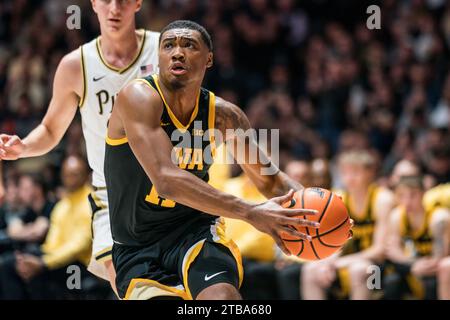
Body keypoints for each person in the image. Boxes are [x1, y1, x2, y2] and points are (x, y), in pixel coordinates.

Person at [105, 20, 319, 300]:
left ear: (209, 59)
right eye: (168, 45)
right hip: (138, 245)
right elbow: (166, 179)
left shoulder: (224, 115)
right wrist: (251, 212)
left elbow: (271, 180)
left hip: (196, 233)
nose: (177, 52)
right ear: (158, 57)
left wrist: (320, 212)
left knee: (223, 299)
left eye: (189, 45)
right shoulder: (138, 97)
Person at [0, 0, 160, 292]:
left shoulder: (165, 50)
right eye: (107, 0)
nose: (114, 9)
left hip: (167, 190)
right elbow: (50, 129)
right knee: (137, 292)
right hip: (114, 202)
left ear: (137, 3)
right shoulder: (76, 65)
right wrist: (23, 147)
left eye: (123, 0)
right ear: (94, 3)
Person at [301, 150, 395, 300]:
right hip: (349, 262)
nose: (349, 178)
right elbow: (332, 241)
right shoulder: (340, 198)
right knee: (311, 269)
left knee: (359, 270)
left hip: (382, 268)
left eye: (355, 172)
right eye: (345, 172)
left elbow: (380, 251)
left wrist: (338, 262)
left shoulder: (382, 199)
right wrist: (328, 262)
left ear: (370, 173)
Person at [0, 155, 94, 299]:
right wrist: (28, 258)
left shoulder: (90, 202)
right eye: (66, 174)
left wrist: (43, 262)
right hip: (56, 260)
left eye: (75, 174)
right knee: (12, 264)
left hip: (79, 264)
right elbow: (51, 244)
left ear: (86, 175)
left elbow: (78, 246)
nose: (70, 178)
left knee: (41, 270)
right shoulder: (62, 205)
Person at [384, 175, 450, 299]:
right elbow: (392, 251)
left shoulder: (439, 218)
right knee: (390, 281)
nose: (407, 201)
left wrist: (417, 265)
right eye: (401, 196)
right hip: (412, 266)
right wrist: (413, 265)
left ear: (424, 194)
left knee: (431, 283)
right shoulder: (396, 217)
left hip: (436, 270)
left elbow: (439, 258)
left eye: (413, 195)